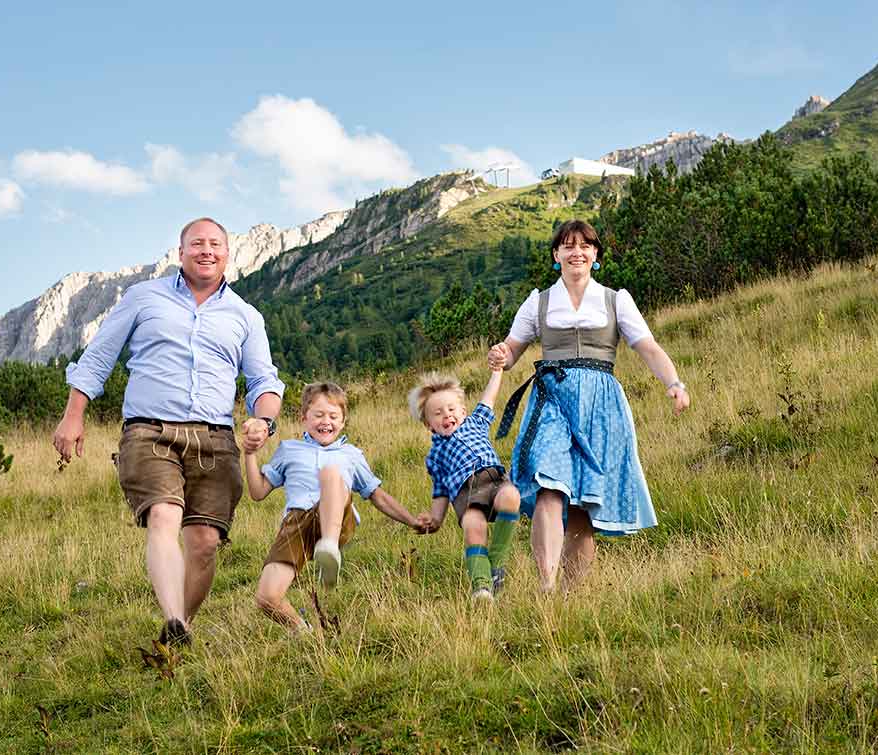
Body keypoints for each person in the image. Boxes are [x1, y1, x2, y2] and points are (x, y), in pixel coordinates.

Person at [52, 217, 284, 646]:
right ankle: (174, 617)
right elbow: (99, 356)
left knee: (205, 543)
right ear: (181, 253)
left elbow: (264, 382)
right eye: (197, 243)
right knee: (163, 514)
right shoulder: (143, 298)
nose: (206, 251)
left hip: (215, 439)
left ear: (227, 254)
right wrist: (74, 414)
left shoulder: (246, 316)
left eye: (215, 244)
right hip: (149, 432)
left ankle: (179, 631)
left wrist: (264, 421)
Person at [488, 219, 690, 592]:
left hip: (600, 406)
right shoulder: (539, 301)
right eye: (567, 245)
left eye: (584, 245)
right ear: (556, 255)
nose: (576, 252)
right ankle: (546, 587)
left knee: (582, 507)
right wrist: (501, 352)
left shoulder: (616, 300)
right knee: (549, 484)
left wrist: (674, 383)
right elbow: (512, 350)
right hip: (552, 399)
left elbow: (647, 347)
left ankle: (571, 596)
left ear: (595, 254)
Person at [246, 381, 429, 631]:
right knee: (267, 597)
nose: (326, 422)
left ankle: (329, 548)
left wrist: (411, 520)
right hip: (296, 524)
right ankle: (303, 631)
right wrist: (249, 453)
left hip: (337, 520)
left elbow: (377, 495)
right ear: (303, 418)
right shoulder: (289, 450)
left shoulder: (351, 455)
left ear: (343, 421)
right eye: (318, 415)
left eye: (333, 416)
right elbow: (257, 493)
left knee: (331, 473)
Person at [408, 368, 520, 601]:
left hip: (494, 480)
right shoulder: (435, 454)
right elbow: (440, 490)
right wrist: (436, 519)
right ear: (429, 424)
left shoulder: (476, 423)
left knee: (511, 497)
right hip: (465, 494)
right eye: (437, 413)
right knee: (473, 527)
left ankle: (496, 565)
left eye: (451, 409)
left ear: (463, 411)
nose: (446, 415)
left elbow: (489, 398)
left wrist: (497, 372)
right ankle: (482, 587)